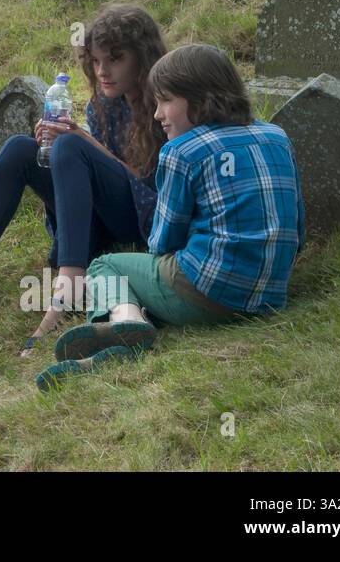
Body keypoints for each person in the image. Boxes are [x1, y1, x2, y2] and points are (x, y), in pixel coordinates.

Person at [0, 3, 168, 356]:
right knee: (19, 149)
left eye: (115, 59)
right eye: (96, 61)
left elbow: (150, 190)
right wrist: (52, 147)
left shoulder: (165, 104)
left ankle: (66, 295)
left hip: (139, 219)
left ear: (142, 58)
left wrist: (81, 142)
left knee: (72, 142)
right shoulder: (101, 105)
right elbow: (89, 171)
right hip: (97, 216)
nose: (103, 71)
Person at [36, 43, 305, 390]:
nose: (157, 114)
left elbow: (162, 242)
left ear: (202, 98)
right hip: (270, 296)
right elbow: (298, 228)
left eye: (166, 101)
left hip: (208, 293)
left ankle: (126, 322)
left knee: (106, 267)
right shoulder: (277, 137)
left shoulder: (181, 151)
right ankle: (119, 342)